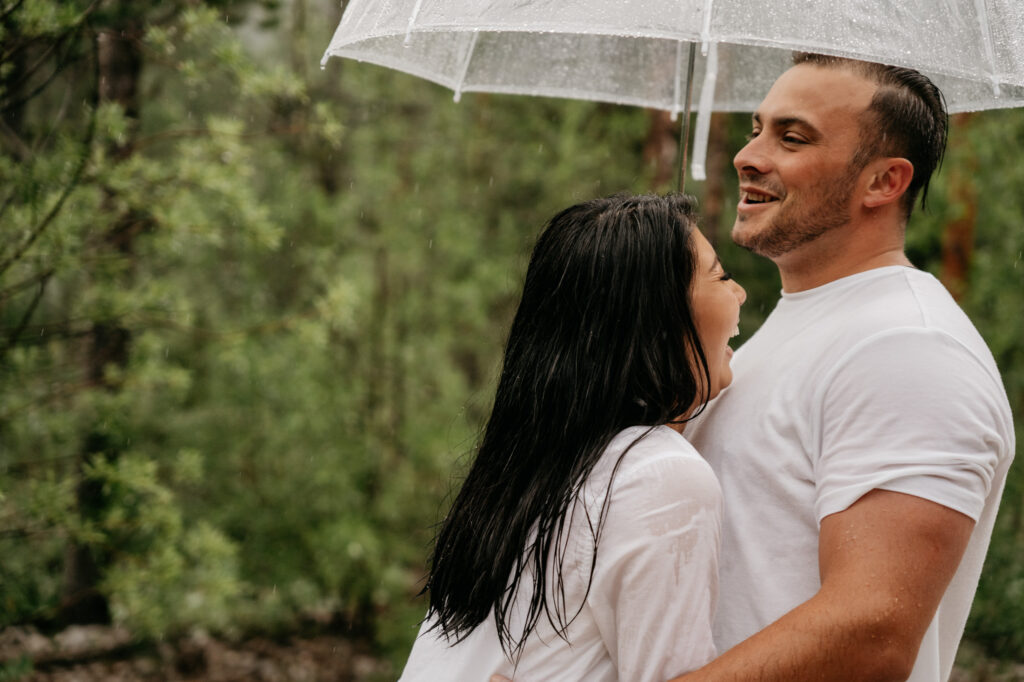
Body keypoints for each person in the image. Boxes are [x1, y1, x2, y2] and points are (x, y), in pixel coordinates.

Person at [670, 54, 1015, 682]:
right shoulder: (804, 322)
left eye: (791, 137)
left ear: (884, 182)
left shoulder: (908, 347)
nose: (748, 155)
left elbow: (871, 631)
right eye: (755, 128)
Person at [398, 194, 746, 681]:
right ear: (659, 318)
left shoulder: (529, 469)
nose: (741, 294)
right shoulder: (662, 477)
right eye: (721, 276)